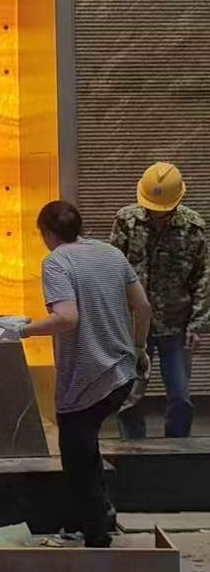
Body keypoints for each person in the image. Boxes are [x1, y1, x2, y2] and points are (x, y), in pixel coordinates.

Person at [21, 200, 151, 547]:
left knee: (78, 458)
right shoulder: (111, 254)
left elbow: (67, 318)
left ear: (46, 233)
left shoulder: (57, 262)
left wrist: (23, 330)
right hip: (121, 371)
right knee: (87, 447)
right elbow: (143, 306)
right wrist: (138, 348)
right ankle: (98, 517)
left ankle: (95, 534)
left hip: (87, 378)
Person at [110, 162, 208, 438]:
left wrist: (197, 325)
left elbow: (202, 276)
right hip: (133, 323)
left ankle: (179, 447)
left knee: (181, 396)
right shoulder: (126, 220)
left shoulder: (193, 227)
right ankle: (132, 446)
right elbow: (113, 269)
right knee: (129, 394)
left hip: (176, 324)